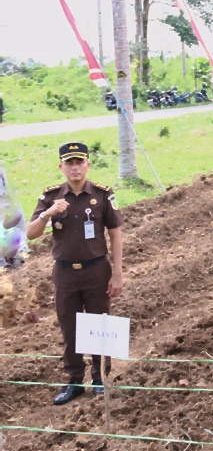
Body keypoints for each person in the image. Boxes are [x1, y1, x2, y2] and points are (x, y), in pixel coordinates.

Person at [26, 142, 124, 405]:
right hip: (65, 273)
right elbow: (31, 234)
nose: (75, 167)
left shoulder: (102, 195)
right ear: (61, 167)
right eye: (69, 163)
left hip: (96, 271)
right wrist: (48, 214)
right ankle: (75, 381)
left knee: (100, 325)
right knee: (70, 328)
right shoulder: (51, 197)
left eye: (79, 162)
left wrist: (117, 273)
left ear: (88, 165)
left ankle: (100, 379)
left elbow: (115, 235)